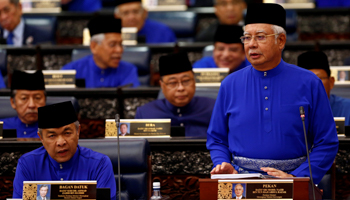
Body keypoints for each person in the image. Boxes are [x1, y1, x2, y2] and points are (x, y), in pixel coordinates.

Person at [207, 3, 338, 185]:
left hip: (293, 181)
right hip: (240, 182)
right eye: (246, 37)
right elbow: (216, 138)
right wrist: (222, 163)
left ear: (281, 41)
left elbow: (327, 142)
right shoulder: (230, 84)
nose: (251, 44)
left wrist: (297, 177)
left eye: (260, 37)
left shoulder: (309, 82)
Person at [12, 101, 117, 200]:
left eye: (67, 133)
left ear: (78, 131)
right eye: (52, 136)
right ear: (41, 138)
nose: (61, 142)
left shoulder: (99, 164)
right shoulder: (28, 164)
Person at [135, 52, 216, 138]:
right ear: (162, 85)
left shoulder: (213, 108)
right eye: (172, 83)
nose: (180, 88)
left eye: (186, 81)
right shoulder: (145, 113)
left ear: (194, 81)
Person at [61, 16, 140, 88]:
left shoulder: (128, 70)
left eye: (121, 44)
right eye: (112, 45)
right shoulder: (71, 71)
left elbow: (132, 102)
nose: (120, 50)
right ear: (94, 46)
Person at [298, 51, 350, 126]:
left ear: (331, 82)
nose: (314, 85)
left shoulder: (347, 109)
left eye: (319, 79)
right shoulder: (291, 110)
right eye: (307, 80)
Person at [0, 70, 45, 138]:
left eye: (37, 98)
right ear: (13, 102)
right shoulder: (2, 126)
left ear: (45, 100)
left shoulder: (55, 130)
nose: (31, 105)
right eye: (24, 98)